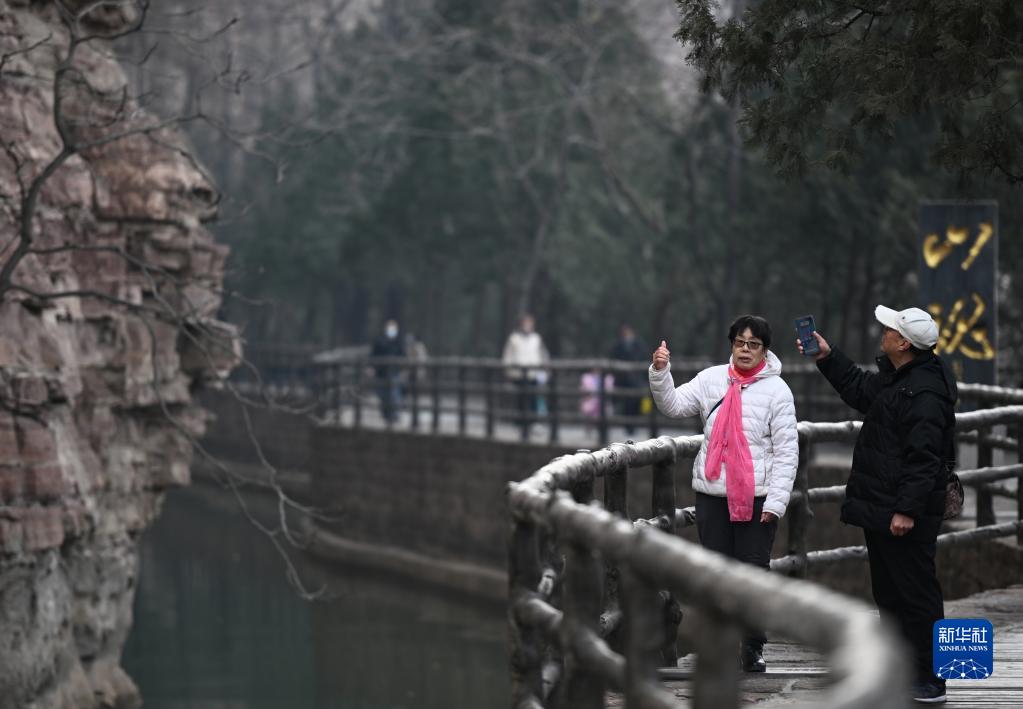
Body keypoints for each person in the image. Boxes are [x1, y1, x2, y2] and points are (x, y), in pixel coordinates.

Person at [799, 306, 955, 704]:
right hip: (884, 506)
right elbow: (860, 389)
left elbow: (925, 459)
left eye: (889, 329)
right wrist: (827, 356)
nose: (882, 332)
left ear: (904, 343)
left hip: (903, 511)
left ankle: (932, 677)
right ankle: (901, 670)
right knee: (889, 592)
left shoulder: (925, 391)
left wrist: (907, 509)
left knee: (916, 594)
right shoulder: (899, 377)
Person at [649, 315, 798, 672]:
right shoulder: (711, 379)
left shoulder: (778, 391)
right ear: (732, 344)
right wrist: (660, 372)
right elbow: (673, 405)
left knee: (752, 571)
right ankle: (720, 644)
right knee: (715, 571)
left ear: (765, 350)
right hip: (713, 493)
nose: (745, 350)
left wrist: (776, 502)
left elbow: (786, 452)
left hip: (757, 497)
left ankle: (752, 645)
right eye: (740, 342)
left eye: (754, 344)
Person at [502, 314, 550, 440]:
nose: (528, 325)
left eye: (530, 323)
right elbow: (508, 356)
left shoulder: (536, 338)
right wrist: (508, 371)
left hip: (533, 374)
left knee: (534, 398)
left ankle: (533, 423)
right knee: (520, 399)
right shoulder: (514, 338)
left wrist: (544, 371)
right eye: (526, 322)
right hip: (518, 374)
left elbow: (542, 355)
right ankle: (519, 424)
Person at [609, 324, 647, 435]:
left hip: (636, 380)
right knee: (626, 404)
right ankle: (628, 427)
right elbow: (614, 358)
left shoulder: (639, 345)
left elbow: (643, 357)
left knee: (636, 403)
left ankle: (633, 425)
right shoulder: (618, 345)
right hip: (623, 381)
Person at [371, 319, 405, 423]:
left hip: (395, 371)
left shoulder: (399, 342)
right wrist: (372, 367)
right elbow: (373, 355)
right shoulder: (379, 341)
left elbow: (403, 356)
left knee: (395, 394)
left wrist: (403, 368)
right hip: (381, 372)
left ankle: (395, 414)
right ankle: (385, 413)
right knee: (383, 394)